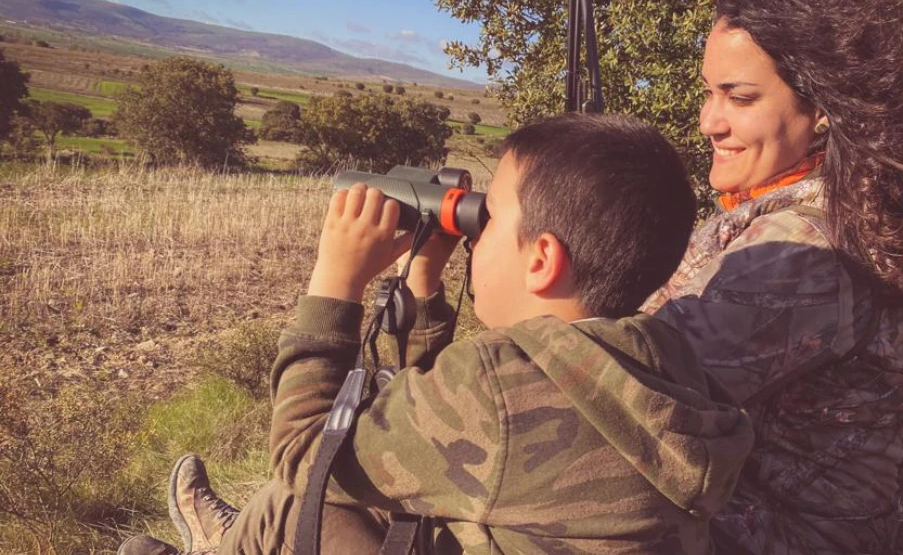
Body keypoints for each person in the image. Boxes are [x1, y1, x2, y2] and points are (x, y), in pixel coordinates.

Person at [117, 113, 754, 555]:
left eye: (489, 219)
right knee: (355, 498)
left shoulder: (499, 387)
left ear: (542, 260)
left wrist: (333, 282)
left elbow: (307, 452)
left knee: (295, 502)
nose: (474, 235)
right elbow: (416, 421)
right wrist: (423, 281)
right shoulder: (662, 358)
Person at [640, 0, 903, 553]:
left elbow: (625, 397)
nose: (707, 121)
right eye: (708, 93)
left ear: (821, 108)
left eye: (738, 97)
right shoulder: (853, 203)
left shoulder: (800, 250)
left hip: (781, 533)